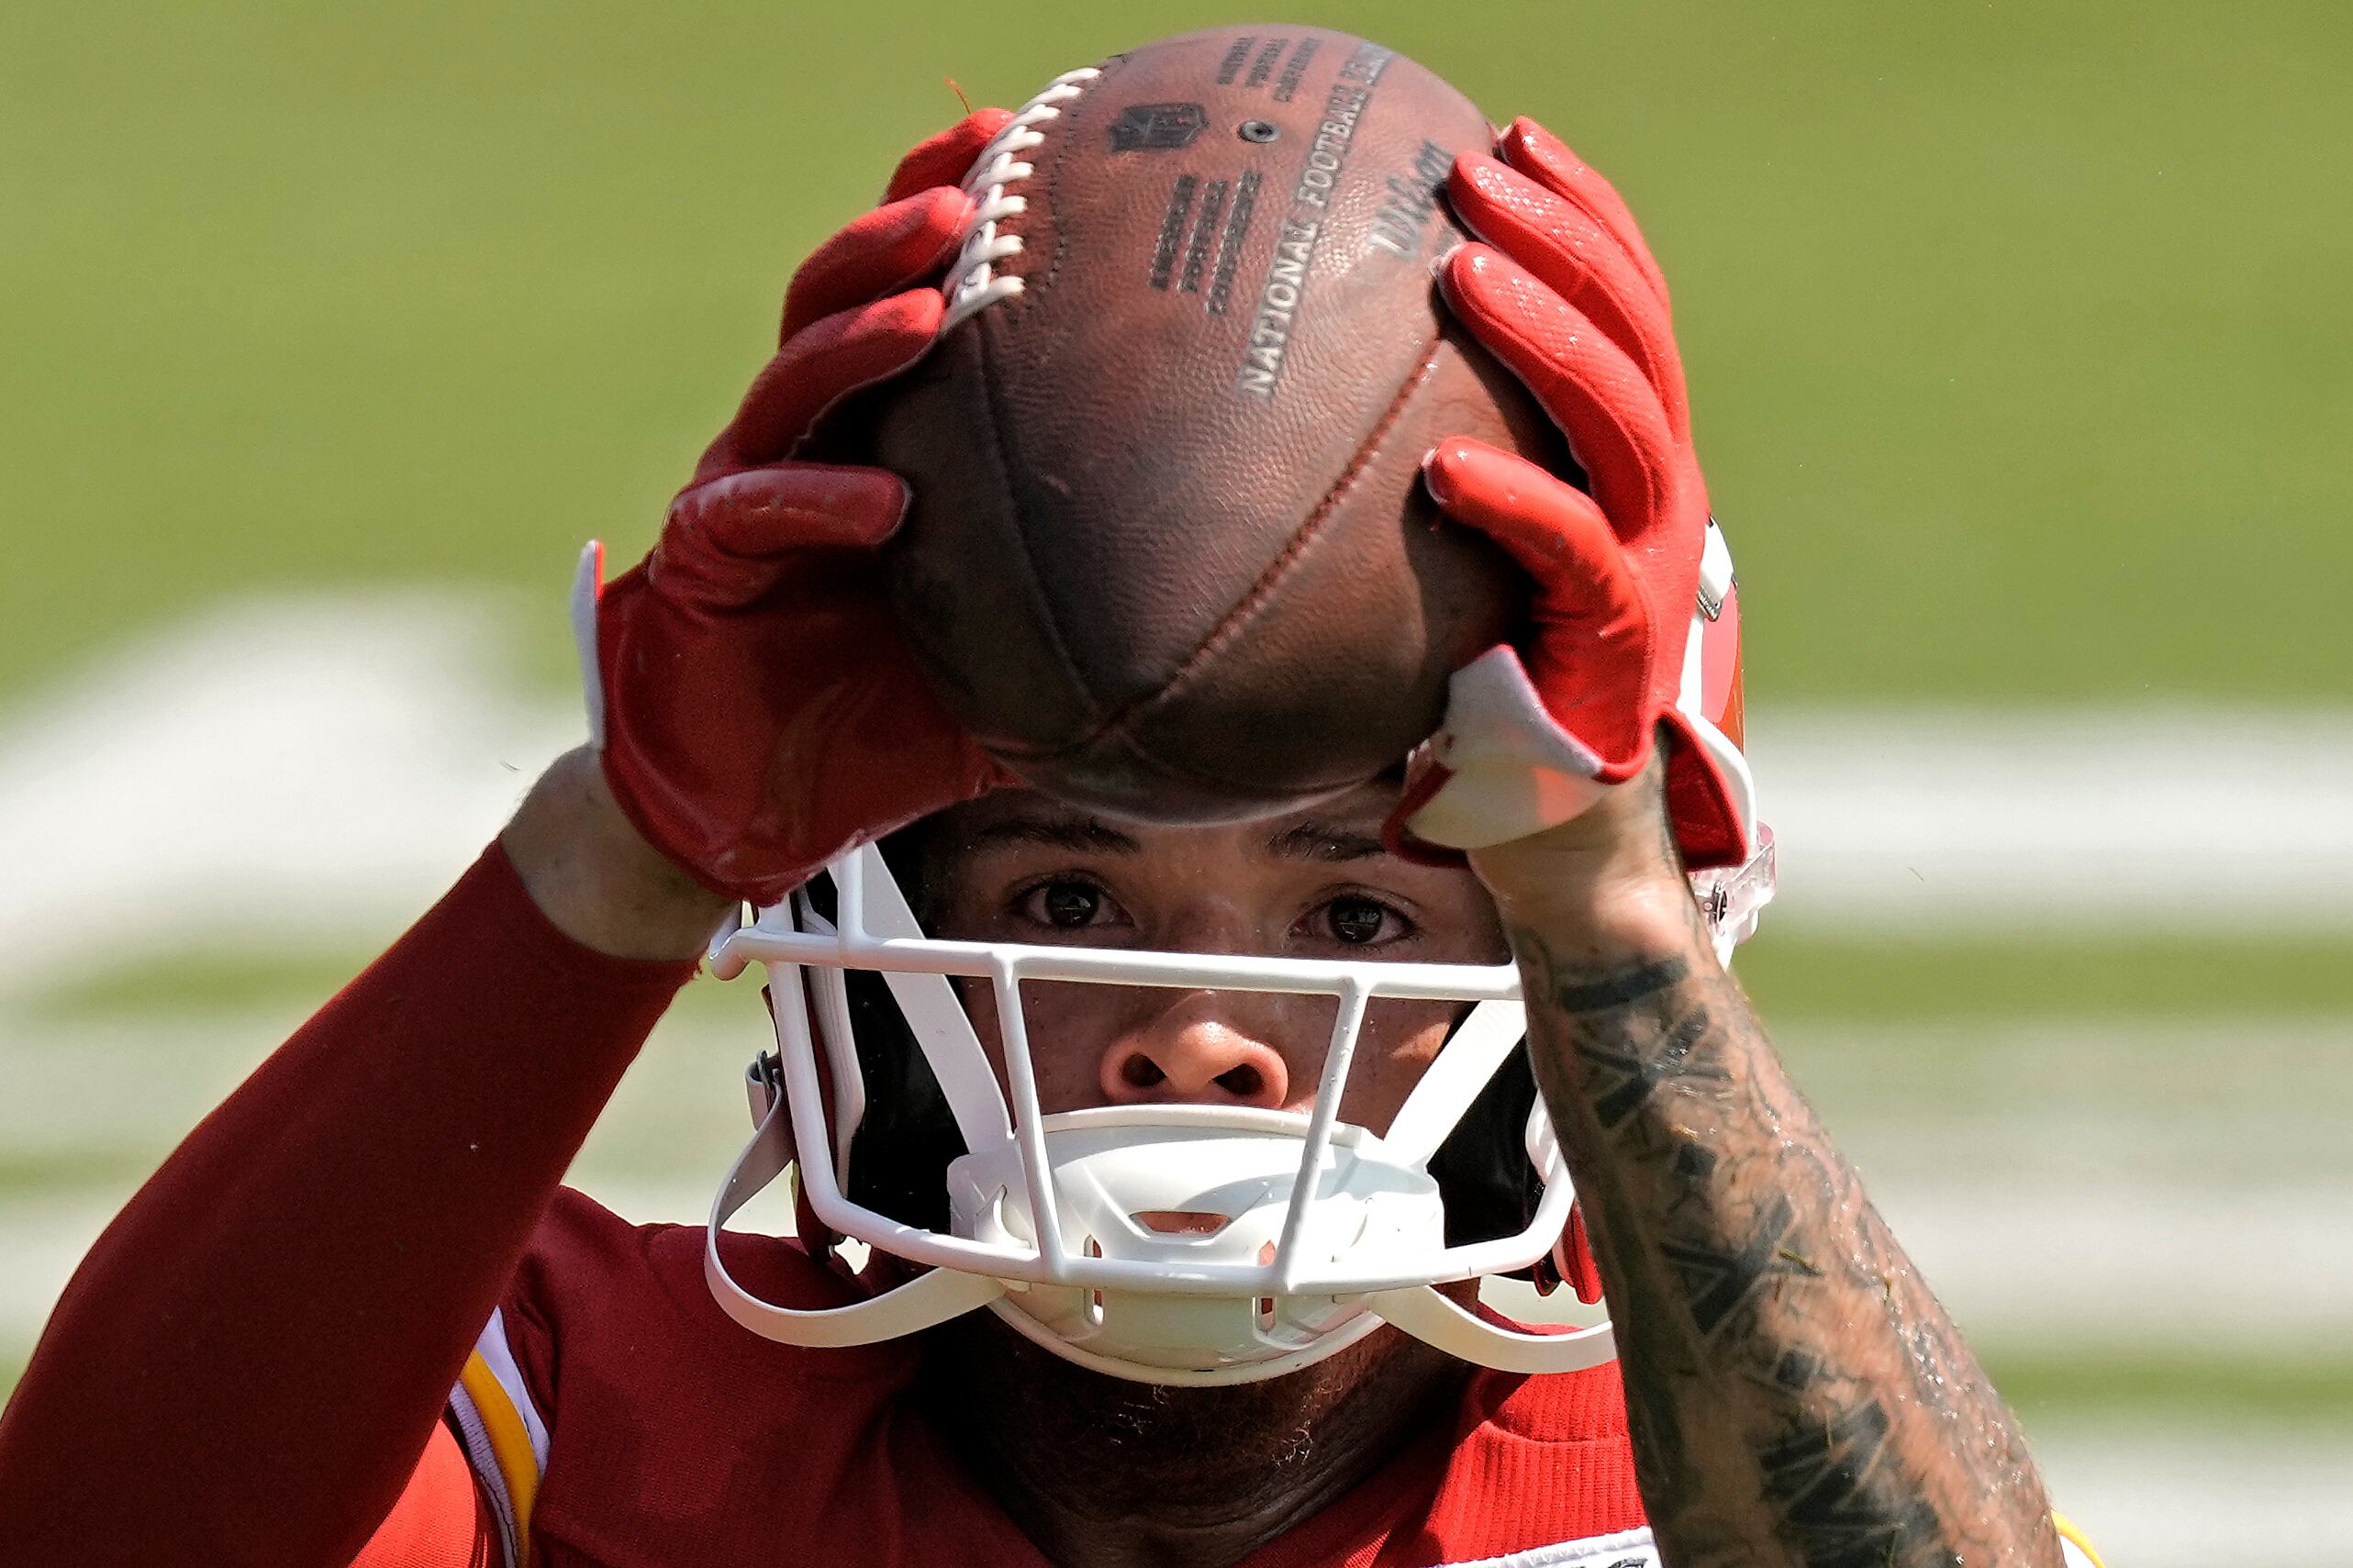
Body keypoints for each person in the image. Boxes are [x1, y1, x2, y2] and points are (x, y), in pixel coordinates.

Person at [0, 89, 2099, 1568]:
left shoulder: (1689, 1496)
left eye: (1358, 917)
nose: (1203, 1035)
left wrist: (1610, 897)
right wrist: (616, 858)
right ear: (852, 910)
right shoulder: (587, 1417)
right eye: (1074, 891)